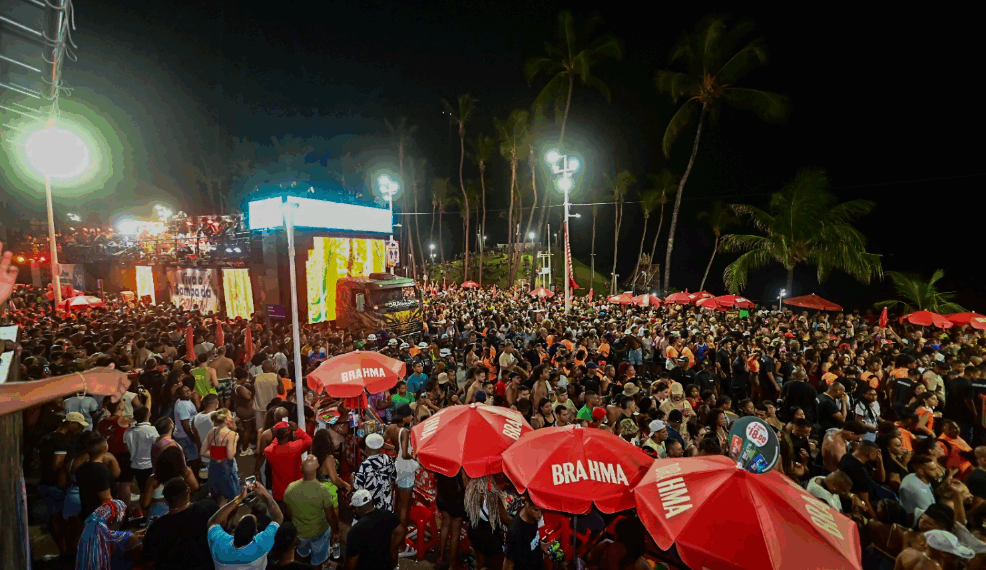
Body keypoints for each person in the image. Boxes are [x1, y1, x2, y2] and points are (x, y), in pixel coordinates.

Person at [37, 411, 88, 557]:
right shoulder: (62, 440)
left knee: (54, 518)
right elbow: (57, 464)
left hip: (44, 482)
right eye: (78, 425)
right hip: (57, 485)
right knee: (66, 521)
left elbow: (36, 459)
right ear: (71, 424)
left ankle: (63, 551)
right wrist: (68, 470)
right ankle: (69, 552)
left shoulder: (46, 437)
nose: (80, 429)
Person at [142, 476, 220, 570]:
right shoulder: (208, 507)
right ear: (188, 490)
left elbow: (149, 561)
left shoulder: (156, 528)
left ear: (166, 500)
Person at [207, 481, 284, 569]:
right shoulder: (260, 546)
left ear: (234, 530)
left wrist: (239, 499)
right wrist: (264, 493)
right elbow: (278, 517)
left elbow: (213, 522)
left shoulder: (220, 546)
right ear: (256, 533)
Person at [284, 456, 338, 565]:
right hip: (319, 532)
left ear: (300, 469)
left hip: (300, 533)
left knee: (301, 557)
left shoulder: (290, 488)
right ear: (317, 470)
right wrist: (335, 531)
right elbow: (330, 516)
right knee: (318, 562)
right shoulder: (323, 491)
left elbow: (288, 513)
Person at [75, 498, 143, 570]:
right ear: (114, 519)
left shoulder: (88, 528)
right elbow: (133, 541)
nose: (118, 527)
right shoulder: (110, 536)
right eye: (120, 522)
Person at [345, 489, 404, 570]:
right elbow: (400, 531)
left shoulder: (355, 530)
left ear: (357, 508)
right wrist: (390, 550)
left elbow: (351, 565)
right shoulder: (388, 515)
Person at [464, 475, 511, 570]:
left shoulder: (472, 484)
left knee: (480, 563)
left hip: (474, 529)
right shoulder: (492, 493)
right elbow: (505, 518)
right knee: (497, 565)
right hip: (488, 536)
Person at [264, 421, 313, 502]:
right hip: (297, 491)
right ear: (288, 433)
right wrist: (297, 429)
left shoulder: (268, 451)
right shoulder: (296, 447)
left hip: (280, 494)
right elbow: (309, 440)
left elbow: (273, 444)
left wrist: (277, 435)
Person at [202, 408, 242, 506]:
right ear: (228, 419)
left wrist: (217, 455)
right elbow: (230, 455)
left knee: (219, 497)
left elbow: (202, 452)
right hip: (226, 467)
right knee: (231, 499)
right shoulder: (232, 435)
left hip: (213, 465)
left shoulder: (212, 432)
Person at [354, 433, 397, 511]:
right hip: (387, 507)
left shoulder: (363, 466)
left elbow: (358, 491)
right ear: (381, 447)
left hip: (370, 510)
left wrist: (351, 481)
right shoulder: (389, 459)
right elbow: (392, 482)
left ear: (366, 447)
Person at [436, 469, 467, 568]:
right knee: (455, 535)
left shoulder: (443, 459)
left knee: (445, 525)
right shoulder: (460, 464)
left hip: (442, 496)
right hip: (456, 501)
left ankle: (440, 556)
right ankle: (452, 566)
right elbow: (465, 485)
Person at [504, 495, 545, 570]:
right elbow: (507, 566)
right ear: (527, 504)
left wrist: (543, 546)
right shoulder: (516, 533)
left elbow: (529, 542)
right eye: (536, 510)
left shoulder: (532, 516)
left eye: (542, 510)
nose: (540, 515)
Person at [124, 405, 158, 490]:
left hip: (135, 466)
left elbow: (126, 449)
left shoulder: (128, 432)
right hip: (150, 465)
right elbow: (157, 447)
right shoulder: (152, 430)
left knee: (142, 488)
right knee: (152, 490)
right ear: (149, 415)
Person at [899, 455, 943, 519]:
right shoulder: (920, 492)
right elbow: (929, 517)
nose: (937, 473)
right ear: (920, 471)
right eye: (932, 470)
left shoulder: (912, 476)